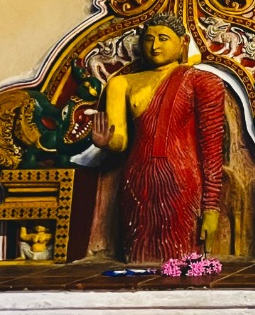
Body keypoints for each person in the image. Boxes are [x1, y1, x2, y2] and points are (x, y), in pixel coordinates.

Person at [91, 15, 226, 262]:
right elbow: (120, 140)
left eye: (164, 39)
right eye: (149, 39)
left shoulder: (202, 81)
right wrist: (106, 141)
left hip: (183, 179)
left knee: (183, 256)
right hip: (139, 176)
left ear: (183, 43)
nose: (155, 46)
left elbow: (212, 147)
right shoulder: (122, 84)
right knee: (138, 256)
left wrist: (211, 207)